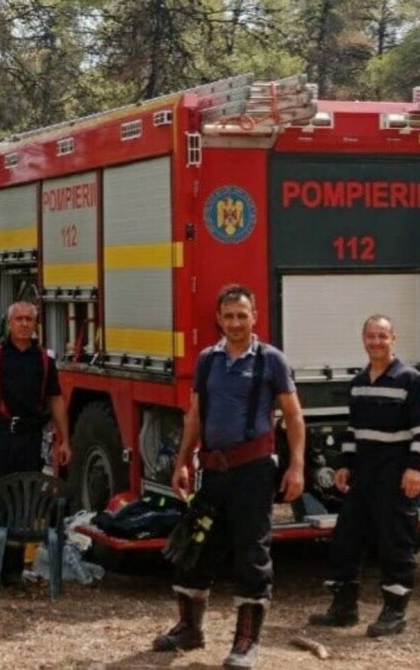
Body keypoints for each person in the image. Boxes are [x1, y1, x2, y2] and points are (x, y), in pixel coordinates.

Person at [153, 283, 305, 670]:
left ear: (254, 317)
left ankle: (246, 642)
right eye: (229, 316)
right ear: (218, 319)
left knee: (251, 554)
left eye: (243, 315)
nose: (236, 322)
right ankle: (190, 629)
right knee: (196, 546)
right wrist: (183, 461)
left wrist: (297, 466)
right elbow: (195, 414)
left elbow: (293, 416)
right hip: (213, 472)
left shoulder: (271, 360)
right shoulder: (208, 360)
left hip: (254, 472)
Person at [308, 314, 420, 637]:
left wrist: (417, 468)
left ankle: (395, 613)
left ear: (394, 338)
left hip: (396, 473)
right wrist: (346, 464)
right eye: (371, 336)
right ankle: (344, 609)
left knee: (395, 543)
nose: (376, 342)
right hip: (364, 475)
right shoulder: (360, 381)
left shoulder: (411, 380)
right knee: (345, 539)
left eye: (382, 336)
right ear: (363, 340)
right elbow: (354, 430)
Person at [0, 300, 72, 490]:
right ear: (9, 323)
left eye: (29, 319)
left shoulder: (45, 359)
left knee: (27, 496)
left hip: (31, 438)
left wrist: (65, 441)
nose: (24, 324)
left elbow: (56, 399)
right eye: (19, 319)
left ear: (36, 324)